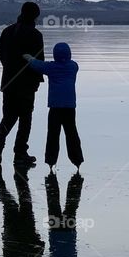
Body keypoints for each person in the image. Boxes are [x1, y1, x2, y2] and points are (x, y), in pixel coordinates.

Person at [0, 2, 45, 167]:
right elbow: (39, 61)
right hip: (27, 85)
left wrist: (9, 69)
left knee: (9, 116)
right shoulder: (35, 35)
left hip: (8, 83)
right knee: (25, 119)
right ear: (35, 16)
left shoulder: (7, 31)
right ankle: (20, 154)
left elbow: (0, 53)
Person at [23, 41, 84, 170]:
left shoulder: (51, 67)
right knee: (71, 133)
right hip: (69, 107)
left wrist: (28, 57)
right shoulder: (73, 66)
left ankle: (51, 160)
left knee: (53, 134)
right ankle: (77, 159)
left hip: (55, 107)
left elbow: (36, 64)